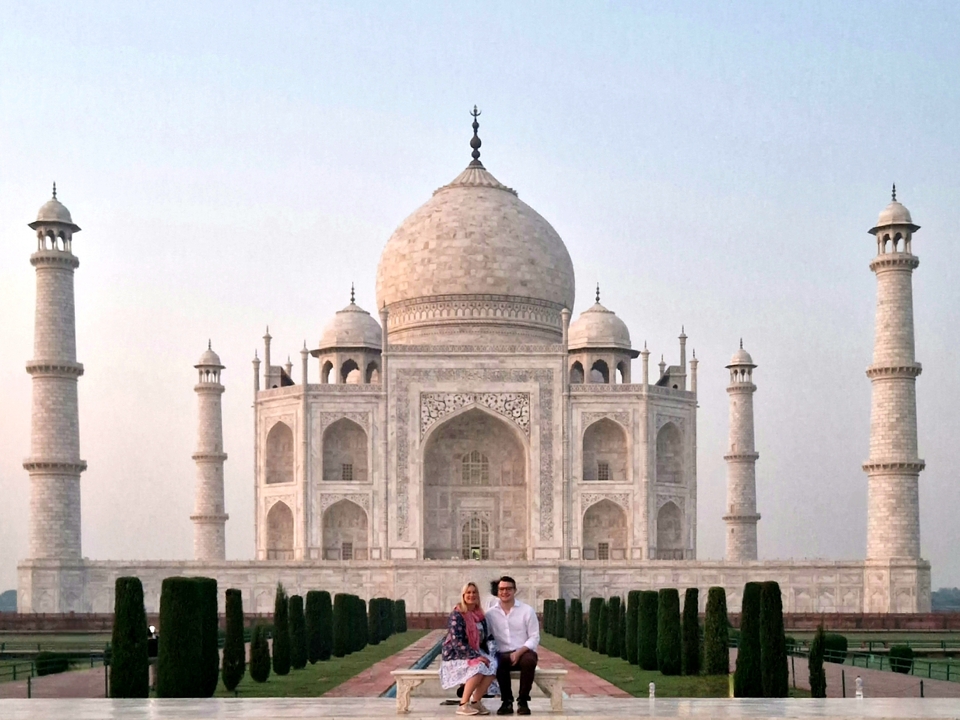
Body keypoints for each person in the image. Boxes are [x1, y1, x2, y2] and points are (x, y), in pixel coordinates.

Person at [440, 582, 499, 716]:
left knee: (494, 665)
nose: (471, 595)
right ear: (463, 595)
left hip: (474, 652)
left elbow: (485, 638)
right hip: (457, 655)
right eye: (468, 592)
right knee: (478, 667)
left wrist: (491, 653)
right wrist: (476, 656)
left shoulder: (480, 616)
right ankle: (463, 704)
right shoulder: (458, 614)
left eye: (474, 592)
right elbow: (457, 642)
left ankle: (476, 701)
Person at [486, 576, 540, 716]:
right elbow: (484, 636)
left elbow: (534, 637)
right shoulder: (491, 614)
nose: (505, 592)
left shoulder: (526, 610)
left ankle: (523, 700)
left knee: (529, 661)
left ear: (515, 590)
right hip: (503, 653)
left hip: (523, 652)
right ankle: (507, 701)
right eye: (502, 589)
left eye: (508, 589)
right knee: (497, 662)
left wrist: (519, 652)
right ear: (497, 592)